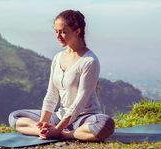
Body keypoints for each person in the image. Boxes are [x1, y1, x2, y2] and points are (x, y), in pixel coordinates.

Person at [8, 10, 115, 141]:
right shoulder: (58, 58)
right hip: (60, 116)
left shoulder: (89, 61)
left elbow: (79, 103)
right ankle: (44, 131)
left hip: (84, 118)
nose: (58, 36)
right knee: (15, 116)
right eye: (56, 31)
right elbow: (51, 94)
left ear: (77, 31)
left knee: (105, 124)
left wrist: (58, 129)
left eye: (63, 32)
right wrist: (43, 124)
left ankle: (64, 134)